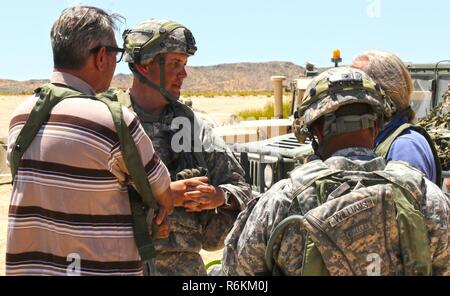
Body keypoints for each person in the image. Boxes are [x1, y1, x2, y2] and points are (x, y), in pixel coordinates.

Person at [220, 67, 450, 276]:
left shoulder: (283, 200)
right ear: (377, 125)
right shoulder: (424, 195)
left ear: (316, 132)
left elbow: (238, 273)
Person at [5, 6, 175, 276]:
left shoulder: (20, 117)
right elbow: (163, 195)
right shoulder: (114, 121)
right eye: (115, 55)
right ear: (100, 57)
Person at [119, 18, 252, 276]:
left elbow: (244, 193)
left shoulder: (194, 126)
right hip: (120, 264)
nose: (184, 74)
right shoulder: (109, 121)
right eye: (174, 64)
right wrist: (164, 195)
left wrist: (217, 196)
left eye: (185, 64)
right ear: (144, 64)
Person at [352, 50, 442, 185]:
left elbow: (408, 204)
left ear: (381, 93)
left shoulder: (405, 146)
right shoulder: (383, 140)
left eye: (353, 89)